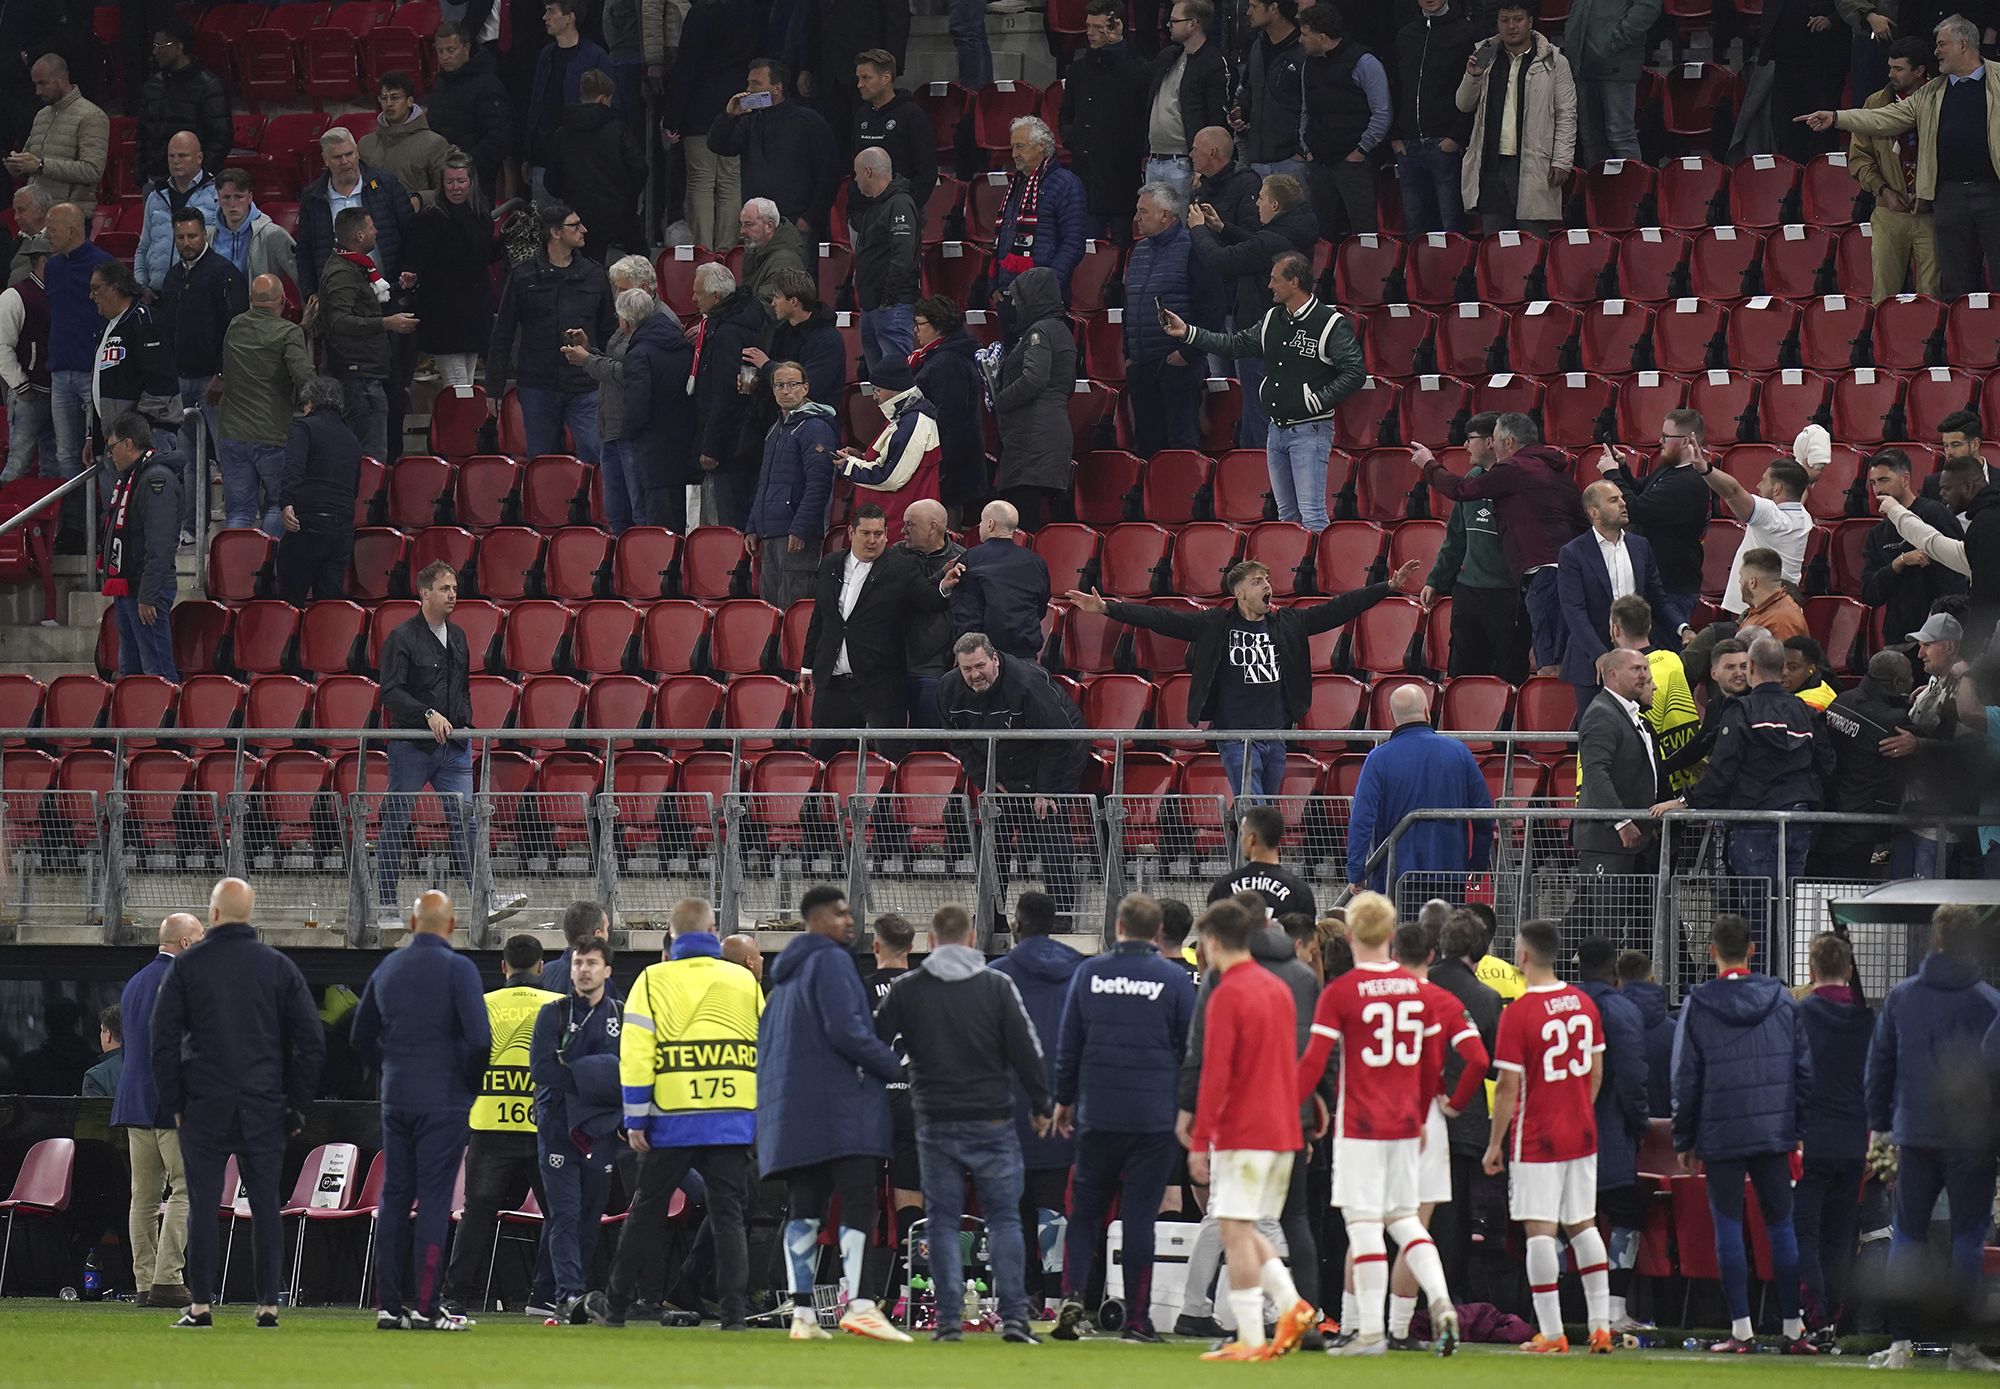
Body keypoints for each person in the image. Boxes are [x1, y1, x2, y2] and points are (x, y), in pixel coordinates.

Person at [1070, 554, 1418, 798]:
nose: (1267, 585)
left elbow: (1338, 609)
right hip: (1235, 735)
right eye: (1257, 581)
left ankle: (1257, 868)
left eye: (1267, 580)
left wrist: (1386, 586)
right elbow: (1162, 618)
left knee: (1264, 807)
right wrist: (1106, 608)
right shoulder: (1216, 624)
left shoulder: (1287, 623)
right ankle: (1257, 874)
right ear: (1240, 594)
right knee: (1254, 805)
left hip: (1275, 732)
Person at [874, 902, 1054, 1344]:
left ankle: (948, 1320)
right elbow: (1027, 1051)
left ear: (931, 942)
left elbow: (872, 1045)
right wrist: (1042, 1103)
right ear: (973, 940)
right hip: (991, 1118)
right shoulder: (997, 986)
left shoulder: (908, 988)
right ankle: (1014, 1319)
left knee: (942, 1220)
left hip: (933, 1120)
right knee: (1005, 1220)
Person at [149, 878, 324, 1329]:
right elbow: (311, 1041)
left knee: (204, 1204)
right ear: (249, 913)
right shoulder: (279, 966)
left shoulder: (188, 967)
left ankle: (201, 1305)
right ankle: (268, 1305)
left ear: (213, 915)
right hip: (264, 1103)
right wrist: (296, 1104)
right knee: (266, 1204)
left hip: (204, 1102)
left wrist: (176, 1101)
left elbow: (162, 1040)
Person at [1293, 893, 1462, 1357]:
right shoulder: (1418, 991)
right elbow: (1433, 1061)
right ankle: (1441, 1299)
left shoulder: (1341, 992)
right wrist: (1424, 1109)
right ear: (1391, 934)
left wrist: (1295, 1105)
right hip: (1408, 1121)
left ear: (1349, 937)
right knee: (1405, 1220)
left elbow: (1313, 1061)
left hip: (1361, 1123)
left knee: (1364, 1224)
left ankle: (1369, 1333)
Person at [587, 898, 763, 1329]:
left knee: (647, 1210)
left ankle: (616, 1306)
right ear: (713, 929)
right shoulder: (742, 980)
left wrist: (635, 1117)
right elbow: (766, 1048)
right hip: (732, 1114)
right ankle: (735, 1314)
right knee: (729, 1214)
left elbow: (636, 1054)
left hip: (672, 1116)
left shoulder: (652, 980)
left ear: (672, 934)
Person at [755, 886, 911, 1341]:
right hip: (841, 1107)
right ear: (817, 919)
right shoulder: (832, 961)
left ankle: (803, 1313)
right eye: (841, 913)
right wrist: (895, 1068)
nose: (850, 921)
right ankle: (861, 1304)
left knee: (805, 1207)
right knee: (860, 1199)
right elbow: (849, 1034)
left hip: (792, 1112)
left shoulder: (783, 979)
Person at [1049, 892, 1196, 1343]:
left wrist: (1064, 1100)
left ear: (1117, 928)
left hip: (1099, 1113)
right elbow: (1188, 1049)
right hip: (1152, 1118)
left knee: (1085, 1213)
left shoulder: (1089, 973)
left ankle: (1072, 1294)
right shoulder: (1173, 980)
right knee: (1138, 1217)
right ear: (1157, 934)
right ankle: (1137, 1319)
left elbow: (1069, 1044)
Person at [1671, 913, 1816, 1354]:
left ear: (1712, 951)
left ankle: (1742, 1331)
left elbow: (1685, 1077)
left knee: (1728, 1227)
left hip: (1720, 1132)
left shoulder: (1698, 1003)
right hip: (1774, 1130)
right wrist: (1798, 1128)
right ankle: (1794, 1329)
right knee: (1781, 1226)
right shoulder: (1783, 999)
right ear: (1752, 950)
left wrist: (1684, 1138)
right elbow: (1804, 1070)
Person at [1181, 898, 1315, 1361]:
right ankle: (1291, 1304)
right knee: (1249, 1225)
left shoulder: (1227, 993)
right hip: (1282, 1130)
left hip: (1244, 1130)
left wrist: (1200, 1140)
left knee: (1234, 1229)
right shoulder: (1279, 987)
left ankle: (1251, 1338)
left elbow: (1216, 1073)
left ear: (1213, 942)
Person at [1868, 906, 2000, 1368]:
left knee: (1907, 1234)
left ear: (1935, 940)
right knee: (1967, 1237)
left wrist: (1882, 1125)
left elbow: (1879, 1065)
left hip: (1915, 1132)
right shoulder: (1989, 1003)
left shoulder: (1903, 997)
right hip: (1971, 1140)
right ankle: (1961, 1347)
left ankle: (1901, 1344)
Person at [352, 890, 490, 1331]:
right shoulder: (459, 969)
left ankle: (388, 1307)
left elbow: (359, 1035)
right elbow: (479, 1041)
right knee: (433, 1200)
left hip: (397, 1097)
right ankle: (427, 1306)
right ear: (451, 926)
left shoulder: (388, 967)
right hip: (444, 1101)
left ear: (412, 925)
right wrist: (466, 1085)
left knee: (394, 1198)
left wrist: (389, 1066)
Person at [1481, 918, 1613, 1355]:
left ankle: (1553, 1331)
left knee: (1540, 1229)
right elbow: (1596, 1072)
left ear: (1522, 956)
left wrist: (1496, 1142)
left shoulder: (1519, 1014)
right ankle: (1600, 1326)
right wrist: (1579, 1108)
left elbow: (1507, 1088)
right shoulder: (1583, 1004)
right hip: (1581, 1129)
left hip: (1537, 1133)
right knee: (1583, 1224)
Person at [1800, 15, 2000, 300]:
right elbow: (1883, 118)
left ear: (1962, 45)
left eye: (1941, 44)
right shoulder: (1930, 92)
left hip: (1994, 192)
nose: (1936, 52)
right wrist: (1835, 117)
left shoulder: (1998, 79)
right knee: (1956, 284)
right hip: (1949, 197)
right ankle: (1961, 342)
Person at [376, 561, 529, 926]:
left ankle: (486, 900)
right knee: (396, 822)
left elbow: (462, 686)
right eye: (445, 589)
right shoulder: (401, 637)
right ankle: (384, 907)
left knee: (467, 821)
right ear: (424, 593)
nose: (452, 595)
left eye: (455, 589)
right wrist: (426, 713)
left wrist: (462, 721)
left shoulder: (458, 635)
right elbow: (390, 692)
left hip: (455, 747)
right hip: (412, 748)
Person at [1163, 249, 1355, 532]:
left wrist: (1318, 400)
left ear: (1294, 283)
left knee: (1312, 515)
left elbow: (1354, 371)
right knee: (1287, 516)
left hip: (1310, 431)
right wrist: (1189, 332)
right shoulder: (1271, 320)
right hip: (1275, 431)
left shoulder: (1329, 323)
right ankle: (1294, 574)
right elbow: (1234, 345)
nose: (1269, 285)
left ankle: (1321, 576)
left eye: (1275, 279)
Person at [436, 934, 559, 1321]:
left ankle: (455, 1297)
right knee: (560, 1214)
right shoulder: (559, 1006)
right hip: (543, 1127)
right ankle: (552, 1293)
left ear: (503, 966)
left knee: (476, 1214)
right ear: (541, 967)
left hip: (489, 1122)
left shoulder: (482, 1006)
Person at [1655, 637, 1826, 909]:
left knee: (1758, 913)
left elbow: (1721, 772)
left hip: (1755, 823)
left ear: (1752, 666)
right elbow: (1825, 764)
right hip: (1798, 819)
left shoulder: (1741, 711)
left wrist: (1683, 801)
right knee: (1790, 910)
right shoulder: (1803, 709)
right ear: (1782, 667)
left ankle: (1760, 954)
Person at [1382, 921, 1490, 1349]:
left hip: (1375, 1116)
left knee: (1366, 1226)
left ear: (1395, 953)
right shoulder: (1441, 1000)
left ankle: (1363, 1325)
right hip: (1427, 1118)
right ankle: (1403, 1325)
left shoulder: (1372, 992)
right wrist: (1455, 1102)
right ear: (1431, 955)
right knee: (1416, 1225)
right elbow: (1478, 1059)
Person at [935, 633, 1089, 924]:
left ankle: (1062, 917)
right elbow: (957, 740)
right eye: (967, 669)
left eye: (980, 666)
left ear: (994, 659)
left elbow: (1060, 739)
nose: (974, 675)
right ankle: (992, 916)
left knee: (1050, 831)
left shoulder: (1026, 683)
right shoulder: (948, 688)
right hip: (1001, 764)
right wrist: (987, 779)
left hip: (1057, 753)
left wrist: (1046, 791)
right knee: (994, 837)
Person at [992, 891, 1086, 1308]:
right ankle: (1053, 1296)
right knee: (1052, 1201)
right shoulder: (1081, 972)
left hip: (1008, 1108)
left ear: (1017, 924)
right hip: (1064, 1104)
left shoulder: (996, 975)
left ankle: (1017, 1295)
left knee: (1012, 1205)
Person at [529, 936, 623, 1324]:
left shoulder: (620, 1014)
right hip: (557, 1128)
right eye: (578, 963)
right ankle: (567, 1293)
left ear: (607, 971)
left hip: (601, 1130)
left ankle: (577, 1289)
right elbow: (543, 1070)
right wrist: (597, 1079)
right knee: (564, 1213)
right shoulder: (552, 1013)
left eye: (591, 963)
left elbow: (628, 1069)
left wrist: (578, 1068)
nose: (583, 970)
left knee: (590, 1213)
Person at [113, 912, 204, 1310]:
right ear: (185, 943)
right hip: (173, 1102)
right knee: (188, 1188)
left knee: (144, 1198)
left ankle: (145, 1282)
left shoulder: (134, 982)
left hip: (134, 1101)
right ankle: (168, 1278)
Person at [1188, 172, 1317, 446]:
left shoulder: (1272, 241)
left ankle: (1261, 481)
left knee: (1260, 419)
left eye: (1260, 198)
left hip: (1260, 340)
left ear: (1274, 205)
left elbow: (1222, 260)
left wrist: (1198, 229)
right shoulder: (1291, 231)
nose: (1256, 203)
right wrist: (1223, 228)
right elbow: (1257, 246)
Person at [486, 201, 614, 465]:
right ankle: (549, 508)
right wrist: (494, 388)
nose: (584, 230)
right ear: (555, 232)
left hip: (585, 384)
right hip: (538, 384)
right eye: (575, 225)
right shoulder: (524, 275)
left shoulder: (594, 275)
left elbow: (609, 331)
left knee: (598, 454)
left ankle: (600, 507)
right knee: (544, 463)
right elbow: (503, 333)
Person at [803, 503, 949, 733]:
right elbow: (820, 617)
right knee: (824, 757)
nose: (872, 540)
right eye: (866, 533)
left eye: (878, 534)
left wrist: (944, 585)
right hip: (832, 683)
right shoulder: (830, 564)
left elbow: (928, 600)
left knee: (890, 755)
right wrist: (806, 666)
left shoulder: (901, 567)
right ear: (851, 533)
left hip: (881, 685)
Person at [1572, 937, 1651, 1335]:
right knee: (1625, 1215)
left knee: (1558, 1220)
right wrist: (1638, 1125)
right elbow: (1634, 1077)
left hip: (1560, 1133)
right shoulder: (1622, 1010)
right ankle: (1613, 1310)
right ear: (1615, 970)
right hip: (1610, 1132)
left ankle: (1551, 1310)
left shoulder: (1562, 1003)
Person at [1795, 931, 1872, 1337]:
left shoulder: (1799, 1017)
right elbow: (1875, 1082)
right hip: (1853, 1145)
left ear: (1811, 972)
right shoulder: (1866, 1021)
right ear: (1849, 971)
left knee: (1805, 1231)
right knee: (1841, 1236)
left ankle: (1815, 1316)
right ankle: (1835, 1318)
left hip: (1809, 1142)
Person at [1346, 683, 1494, 894]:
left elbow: (1362, 818)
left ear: (1391, 715)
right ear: (1427, 712)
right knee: (1443, 927)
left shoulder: (1378, 759)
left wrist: (1356, 871)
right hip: (1448, 873)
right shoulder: (1459, 752)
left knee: (1400, 928)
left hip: (1395, 876)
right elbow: (1484, 814)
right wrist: (1478, 863)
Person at [157, 204, 243, 535]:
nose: (187, 242)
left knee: (227, 455)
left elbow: (235, 330)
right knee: (190, 461)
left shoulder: (224, 272)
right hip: (180, 380)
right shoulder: (172, 276)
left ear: (204, 234)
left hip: (214, 380)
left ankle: (238, 523)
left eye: (192, 235)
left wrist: (222, 374)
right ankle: (193, 524)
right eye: (180, 237)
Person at [1427, 910, 1502, 1291]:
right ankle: (1449, 1299)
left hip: (1416, 1115)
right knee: (1453, 1218)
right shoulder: (1486, 998)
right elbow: (1491, 1066)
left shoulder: (1420, 984)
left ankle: (1404, 1303)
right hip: (1465, 1120)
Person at [1558, 480, 1676, 721]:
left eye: (1622, 498)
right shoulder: (1573, 552)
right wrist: (1600, 655)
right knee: (1597, 733)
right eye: (1614, 500)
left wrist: (1682, 627)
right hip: (1592, 663)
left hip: (1638, 658)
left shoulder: (1640, 546)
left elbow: (1657, 598)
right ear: (1593, 512)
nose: (1623, 504)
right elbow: (1573, 610)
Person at [1455, 1, 1576, 235]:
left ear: (1530, 22)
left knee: (1532, 245)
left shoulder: (1555, 61)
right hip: (1490, 163)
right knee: (1497, 246)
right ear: (1498, 23)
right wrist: (1473, 76)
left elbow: (1566, 115)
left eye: (1518, 19)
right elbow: (1463, 104)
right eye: (1505, 20)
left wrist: (1562, 160)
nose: (1511, 26)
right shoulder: (1484, 56)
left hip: (1533, 163)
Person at [1422, 414, 1525, 679]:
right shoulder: (1472, 478)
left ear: (1491, 442)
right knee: (1463, 672)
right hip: (1469, 593)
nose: (1465, 446)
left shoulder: (1520, 482)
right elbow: (1456, 538)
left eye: (1470, 439)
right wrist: (1436, 580)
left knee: (1508, 672)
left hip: (1508, 595)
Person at [1596, 410, 1711, 636]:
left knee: (1664, 654)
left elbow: (1636, 508)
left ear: (1686, 441)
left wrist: (1611, 474)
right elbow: (1642, 490)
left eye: (1666, 437)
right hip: (1657, 581)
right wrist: (1622, 469)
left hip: (1672, 586)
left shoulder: (1687, 483)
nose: (1660, 441)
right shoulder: (1669, 468)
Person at [319, 207, 419, 464]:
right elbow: (339, 321)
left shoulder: (354, 266)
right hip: (357, 375)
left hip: (367, 370)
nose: (377, 230)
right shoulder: (342, 274)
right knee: (369, 456)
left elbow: (364, 304)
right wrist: (387, 323)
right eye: (372, 227)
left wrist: (397, 288)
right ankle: (366, 503)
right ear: (360, 236)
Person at [215, 275, 313, 537]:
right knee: (276, 505)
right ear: (283, 300)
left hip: (232, 433)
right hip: (273, 434)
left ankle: (235, 574)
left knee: (239, 512)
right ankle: (266, 570)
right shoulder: (287, 333)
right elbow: (304, 376)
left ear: (251, 301)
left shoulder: (234, 326)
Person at [1845, 38, 1940, 301]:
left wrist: (1929, 192)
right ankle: (1885, 342)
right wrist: (1883, 190)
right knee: (1884, 295)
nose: (1890, 74)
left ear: (1919, 71)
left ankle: (1929, 342)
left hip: (1932, 211)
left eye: (1898, 69)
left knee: (1932, 295)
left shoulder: (1941, 99)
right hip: (1889, 211)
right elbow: (1859, 158)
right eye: (1890, 67)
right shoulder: (1875, 102)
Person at [42, 202, 114, 547]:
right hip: (60, 373)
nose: (46, 234)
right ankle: (73, 529)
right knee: (65, 455)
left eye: (51, 228)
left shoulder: (103, 264)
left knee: (97, 453)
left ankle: (104, 526)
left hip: (92, 373)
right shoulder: (52, 267)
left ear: (71, 229)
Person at [708, 60, 840, 241]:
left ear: (777, 88)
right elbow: (718, 145)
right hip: (757, 224)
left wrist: (810, 218)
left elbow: (828, 173)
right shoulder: (749, 121)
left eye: (756, 83)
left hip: (795, 223)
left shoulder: (808, 121)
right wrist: (728, 116)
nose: (749, 89)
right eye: (748, 83)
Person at [1808, 649, 1912, 876]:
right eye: (1909, 677)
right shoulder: (1894, 721)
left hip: (1828, 812)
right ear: (1897, 681)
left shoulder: (1842, 700)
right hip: (1861, 823)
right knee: (1848, 891)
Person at [1875, 454, 2000, 639]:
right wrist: (1896, 511)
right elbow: (1936, 545)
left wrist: (1969, 654)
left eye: (1947, 488)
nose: (1940, 493)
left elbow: (1985, 600)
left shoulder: (1988, 523)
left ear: (1968, 486)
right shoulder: (1986, 520)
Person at [991, 267, 1078, 530]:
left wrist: (999, 400)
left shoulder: (1039, 331)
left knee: (1021, 524)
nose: (1014, 305)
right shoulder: (1061, 329)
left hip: (1031, 441)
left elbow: (1034, 379)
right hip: (1050, 435)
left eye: (1018, 299)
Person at [1297, 6, 1392, 243]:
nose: (1300, 40)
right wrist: (1306, 147)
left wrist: (1361, 150)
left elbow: (1382, 112)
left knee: (1364, 229)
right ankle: (1325, 279)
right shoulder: (1308, 65)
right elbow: (1305, 110)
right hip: (1319, 161)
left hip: (1353, 164)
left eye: (1305, 34)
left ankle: (1367, 277)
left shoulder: (1364, 62)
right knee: (1321, 231)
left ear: (1322, 37)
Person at [563, 284, 652, 535]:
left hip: (629, 430)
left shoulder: (647, 336)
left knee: (638, 511)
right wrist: (589, 349)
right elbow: (612, 363)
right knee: (616, 512)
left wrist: (588, 360)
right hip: (610, 429)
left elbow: (626, 373)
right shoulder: (621, 334)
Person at [99, 413, 181, 682]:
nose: (110, 455)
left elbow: (160, 544)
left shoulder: (157, 480)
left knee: (157, 674)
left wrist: (148, 595)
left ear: (128, 444)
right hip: (128, 587)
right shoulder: (132, 479)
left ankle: (169, 724)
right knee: (131, 672)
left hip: (145, 592)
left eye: (112, 448)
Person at [402, 154, 494, 393]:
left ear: (470, 182)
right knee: (457, 384)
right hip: (444, 313)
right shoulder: (430, 219)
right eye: (450, 181)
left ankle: (466, 428)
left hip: (474, 311)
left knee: (468, 379)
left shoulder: (481, 215)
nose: (456, 187)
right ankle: (460, 428)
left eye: (461, 181)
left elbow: (483, 256)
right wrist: (411, 277)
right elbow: (417, 260)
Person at [1122, 182, 1201, 458]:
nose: (1136, 218)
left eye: (1143, 212)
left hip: (1177, 365)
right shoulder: (1138, 251)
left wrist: (1188, 352)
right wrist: (1129, 353)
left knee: (1181, 444)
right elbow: (1129, 304)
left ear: (1165, 215)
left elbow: (1209, 308)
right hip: (1142, 366)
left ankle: (1184, 500)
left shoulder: (1193, 248)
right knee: (1146, 445)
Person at [1062, 2, 1151, 243]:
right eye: (1088, 26)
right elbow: (1067, 113)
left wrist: (1117, 46)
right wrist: (1073, 138)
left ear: (1116, 26)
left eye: (1098, 27)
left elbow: (1139, 88)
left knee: (1120, 248)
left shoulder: (1135, 64)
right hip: (1086, 176)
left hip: (1120, 177)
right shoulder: (1078, 70)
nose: (1090, 32)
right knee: (1085, 249)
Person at [620, 268, 699, 531]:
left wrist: (628, 430)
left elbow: (638, 405)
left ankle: (666, 571)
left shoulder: (640, 353)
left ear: (625, 321)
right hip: (683, 443)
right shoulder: (679, 343)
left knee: (660, 525)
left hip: (654, 451)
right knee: (678, 521)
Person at [295, 127, 412, 302]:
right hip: (338, 300)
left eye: (349, 154)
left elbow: (410, 232)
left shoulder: (386, 184)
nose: (345, 161)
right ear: (325, 160)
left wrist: (408, 272)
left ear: (357, 152)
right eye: (337, 157)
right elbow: (304, 251)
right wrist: (310, 292)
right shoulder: (313, 198)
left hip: (391, 291)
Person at [274, 376, 363, 604]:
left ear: (309, 403)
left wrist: (286, 502)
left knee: (289, 599)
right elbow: (354, 486)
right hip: (342, 527)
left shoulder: (303, 427)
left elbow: (294, 465)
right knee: (329, 605)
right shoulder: (352, 438)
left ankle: (292, 640)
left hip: (309, 521)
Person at [1391, 0, 1477, 233]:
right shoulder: (1405, 35)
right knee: (1415, 224)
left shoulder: (1466, 32)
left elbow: (1474, 88)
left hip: (1445, 144)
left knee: (1451, 224)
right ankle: (1419, 270)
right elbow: (1396, 86)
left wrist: (1456, 137)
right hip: (1408, 146)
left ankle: (1456, 270)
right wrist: (1395, 136)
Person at [1863, 447, 1966, 642]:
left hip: (1939, 637)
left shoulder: (1934, 514)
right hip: (1898, 638)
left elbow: (1957, 578)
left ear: (1905, 479)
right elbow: (1870, 594)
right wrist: (1899, 563)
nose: (1877, 489)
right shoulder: (1877, 534)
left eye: (1884, 480)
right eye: (1873, 483)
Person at [1699, 449, 1815, 614]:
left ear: (1776, 489)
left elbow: (1732, 492)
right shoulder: (1804, 518)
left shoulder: (1772, 518)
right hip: (1785, 608)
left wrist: (1704, 468)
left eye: (1763, 481)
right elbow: (1798, 495)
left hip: (1758, 611)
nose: (1758, 486)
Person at [548, 69, 647, 261]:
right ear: (603, 99)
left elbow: (552, 180)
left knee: (587, 268)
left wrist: (570, 195)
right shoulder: (617, 129)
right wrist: (626, 194)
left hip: (579, 215)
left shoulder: (563, 133)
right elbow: (639, 168)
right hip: (620, 213)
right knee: (639, 263)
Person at [1608, 596, 1702, 795]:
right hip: (1690, 773)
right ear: (1649, 626)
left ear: (1616, 629)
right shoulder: (1673, 659)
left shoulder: (1624, 678)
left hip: (1654, 779)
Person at [847, 147, 920, 392]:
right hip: (872, 306)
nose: (856, 181)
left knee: (897, 380)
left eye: (857, 174)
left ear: (868, 171)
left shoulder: (899, 203)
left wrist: (888, 297)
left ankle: (907, 428)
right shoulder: (875, 206)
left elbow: (904, 255)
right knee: (879, 384)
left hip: (891, 307)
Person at [909, 298, 988, 521]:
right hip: (944, 457)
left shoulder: (947, 362)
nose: (916, 331)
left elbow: (949, 418)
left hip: (950, 462)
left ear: (938, 325)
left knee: (946, 521)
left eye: (920, 324)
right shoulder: (936, 357)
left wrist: (940, 463)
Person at [992, 118, 1088, 301]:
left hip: (1043, 298)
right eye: (1012, 147)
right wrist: (994, 285)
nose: (1014, 154)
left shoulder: (1067, 184)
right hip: (1008, 293)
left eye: (1020, 146)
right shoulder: (1016, 185)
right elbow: (1002, 236)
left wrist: (1048, 288)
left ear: (1041, 146)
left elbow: (1073, 243)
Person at [525, 0, 611, 197]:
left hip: (581, 161)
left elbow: (609, 110)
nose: (544, 17)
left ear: (569, 17)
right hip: (544, 158)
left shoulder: (595, 57)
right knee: (546, 224)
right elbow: (536, 105)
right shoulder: (545, 55)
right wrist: (528, 153)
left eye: (550, 11)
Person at [1146, 4, 1233, 198]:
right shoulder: (1168, 56)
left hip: (1185, 163)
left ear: (1193, 23)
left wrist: (1202, 164)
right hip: (1154, 158)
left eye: (1175, 21)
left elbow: (1217, 120)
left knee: (1186, 225)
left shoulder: (1214, 62)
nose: (1169, 25)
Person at [950, 500, 1052, 662]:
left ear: (990, 524)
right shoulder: (1036, 561)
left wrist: (965, 651)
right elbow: (1041, 607)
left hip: (984, 657)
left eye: (982, 521)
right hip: (1026, 655)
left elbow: (965, 611)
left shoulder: (971, 558)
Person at [10, 55, 109, 221]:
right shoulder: (41, 116)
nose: (38, 91)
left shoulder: (92, 116)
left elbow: (92, 171)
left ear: (62, 78)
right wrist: (18, 167)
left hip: (70, 219)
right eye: (35, 84)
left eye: (43, 83)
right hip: (36, 217)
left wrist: (41, 165)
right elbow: (32, 165)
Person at [425, 22, 516, 199]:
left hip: (477, 181)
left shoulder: (488, 85)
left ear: (466, 48)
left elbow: (499, 136)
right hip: (443, 177)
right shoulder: (440, 85)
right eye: (440, 51)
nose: (445, 57)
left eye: (451, 50)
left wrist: (465, 165)